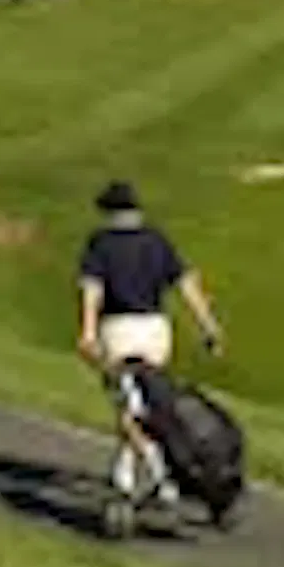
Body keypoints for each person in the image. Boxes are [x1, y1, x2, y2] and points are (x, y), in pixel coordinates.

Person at [75, 178, 224, 495]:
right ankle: (123, 477)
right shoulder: (157, 241)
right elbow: (186, 285)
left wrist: (87, 330)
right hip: (156, 331)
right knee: (145, 404)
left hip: (118, 331)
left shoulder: (101, 243)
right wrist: (208, 327)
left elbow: (93, 289)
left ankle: (160, 477)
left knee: (129, 408)